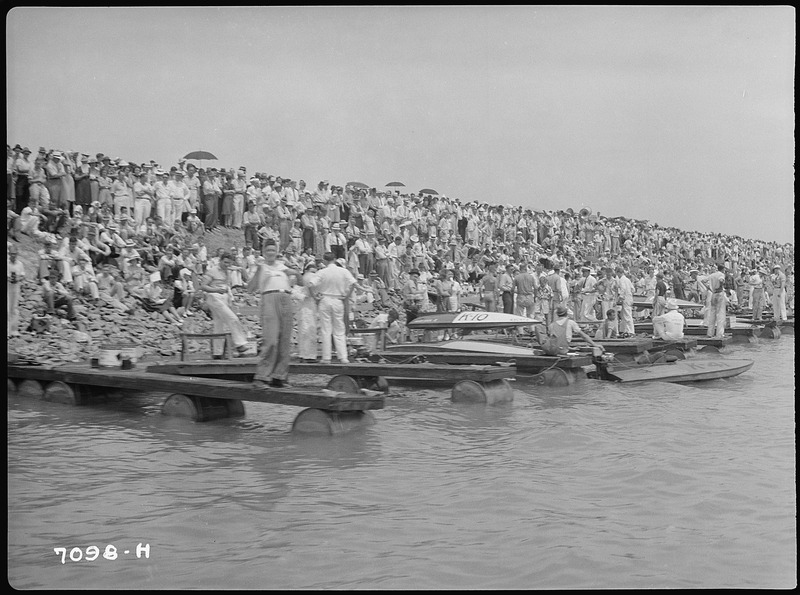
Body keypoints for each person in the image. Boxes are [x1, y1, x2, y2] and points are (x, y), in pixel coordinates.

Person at [248, 239, 300, 387]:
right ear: (264, 252)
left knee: (284, 339)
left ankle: (279, 376)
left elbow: (299, 282)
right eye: (268, 250)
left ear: (277, 252)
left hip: (286, 298)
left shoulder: (283, 266)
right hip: (269, 298)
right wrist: (258, 271)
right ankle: (262, 376)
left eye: (273, 250)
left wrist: (295, 272)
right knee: (271, 339)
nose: (271, 253)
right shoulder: (260, 267)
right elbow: (250, 288)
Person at [307, 251, 356, 364]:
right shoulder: (343, 271)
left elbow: (310, 284)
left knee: (326, 329)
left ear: (325, 260)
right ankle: (343, 356)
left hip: (325, 299)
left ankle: (326, 357)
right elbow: (353, 283)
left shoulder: (322, 272)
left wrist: (315, 297)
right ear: (335, 260)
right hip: (338, 299)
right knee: (339, 328)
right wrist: (347, 296)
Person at [199, 251, 250, 359]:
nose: (226, 265)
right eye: (225, 262)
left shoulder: (227, 270)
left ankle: (217, 352)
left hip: (224, 298)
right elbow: (203, 286)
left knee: (219, 325)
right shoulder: (212, 271)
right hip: (214, 297)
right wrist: (216, 289)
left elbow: (237, 270)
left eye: (229, 263)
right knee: (232, 318)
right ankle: (240, 344)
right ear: (220, 260)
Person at [295, 260, 320, 362]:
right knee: (308, 330)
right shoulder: (307, 278)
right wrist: (309, 296)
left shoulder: (302, 279)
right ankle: (308, 355)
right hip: (307, 305)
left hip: (307, 305)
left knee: (306, 330)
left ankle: (304, 354)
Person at [700, 263, 727, 339]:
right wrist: (721, 286)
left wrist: (709, 288)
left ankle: (710, 333)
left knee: (712, 314)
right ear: (723, 269)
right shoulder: (721, 274)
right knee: (720, 314)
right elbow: (721, 280)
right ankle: (719, 334)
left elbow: (703, 280)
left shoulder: (712, 275)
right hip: (719, 293)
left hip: (713, 293)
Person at [8, 244, 26, 336]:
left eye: (15, 253)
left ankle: (14, 330)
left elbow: (23, 275)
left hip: (16, 287)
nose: (13, 255)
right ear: (9, 254)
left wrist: (18, 279)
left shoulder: (20, 264)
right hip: (7, 288)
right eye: (11, 254)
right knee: (7, 308)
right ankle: (7, 331)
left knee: (14, 308)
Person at [614, 266, 635, 336]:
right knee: (624, 314)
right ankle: (624, 330)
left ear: (619, 273)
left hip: (625, 298)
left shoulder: (622, 280)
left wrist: (620, 298)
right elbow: (633, 289)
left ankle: (630, 331)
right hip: (629, 297)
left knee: (627, 315)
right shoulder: (627, 279)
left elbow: (623, 289)